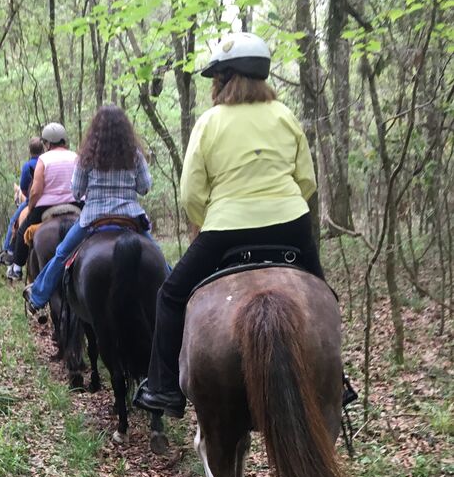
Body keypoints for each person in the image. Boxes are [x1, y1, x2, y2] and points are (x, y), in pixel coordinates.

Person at [134, 31, 328, 417]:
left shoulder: (209, 122)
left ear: (224, 80)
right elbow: (307, 181)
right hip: (291, 226)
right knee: (324, 295)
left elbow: (191, 193)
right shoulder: (285, 116)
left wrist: (211, 223)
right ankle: (336, 382)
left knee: (170, 296)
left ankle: (164, 389)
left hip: (227, 231)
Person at [23, 105, 158, 311]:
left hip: (94, 218)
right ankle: (177, 299)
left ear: (96, 130)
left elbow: (77, 191)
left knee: (61, 253)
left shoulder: (87, 155)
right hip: (130, 217)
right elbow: (144, 187)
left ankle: (38, 296)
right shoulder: (135, 154)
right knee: (158, 257)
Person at [9, 122, 79, 281]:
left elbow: (36, 190)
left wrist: (31, 205)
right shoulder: (76, 157)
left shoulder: (43, 159)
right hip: (75, 204)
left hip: (47, 207)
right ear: (64, 141)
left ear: (47, 143)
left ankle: (17, 268)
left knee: (22, 230)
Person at [0, 136, 44, 279]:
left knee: (14, 222)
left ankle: (9, 252)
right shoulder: (47, 161)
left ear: (30, 151)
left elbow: (24, 188)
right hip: (51, 198)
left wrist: (25, 195)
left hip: (34, 199)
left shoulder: (28, 166)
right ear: (43, 148)